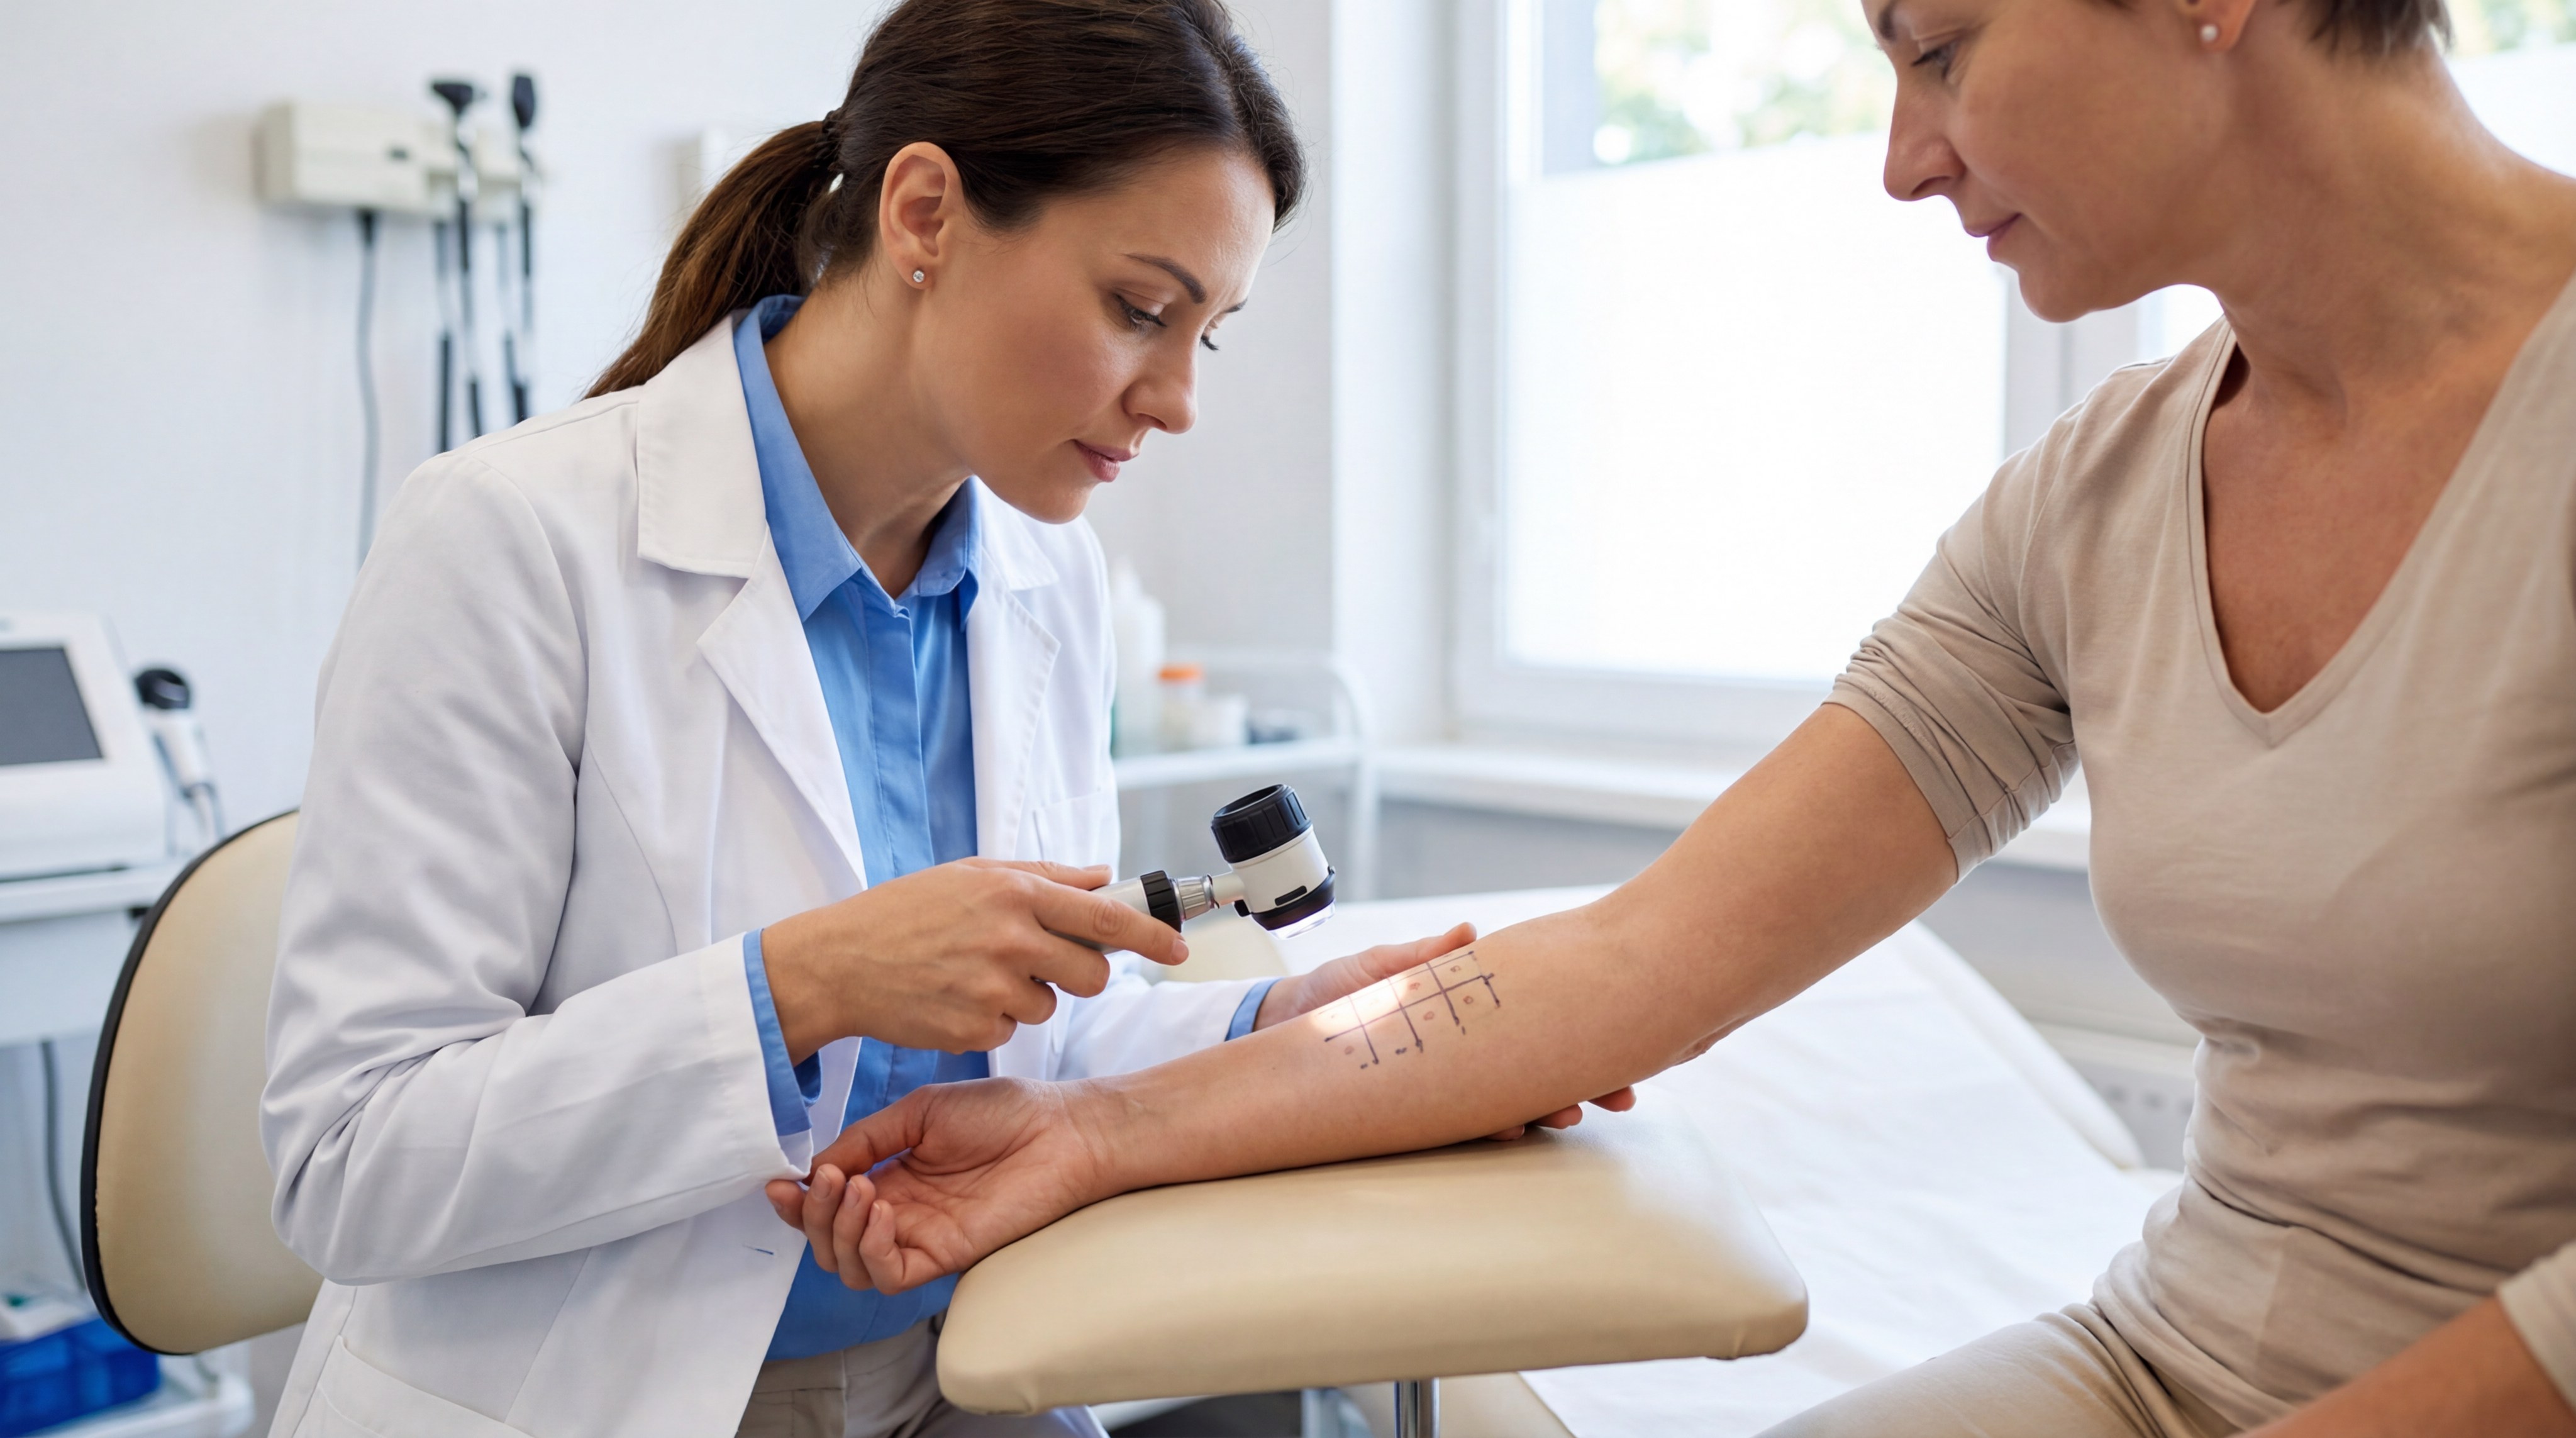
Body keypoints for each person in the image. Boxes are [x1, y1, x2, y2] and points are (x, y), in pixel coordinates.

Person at [774, 0, 2576, 1430]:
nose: (1900, 159)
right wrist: (1092, 1134)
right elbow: (1651, 952)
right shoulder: (2095, 501)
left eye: (1938, 48)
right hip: (2172, 1354)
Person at [255, 4, 1476, 1435]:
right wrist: (798, 988)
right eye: (1141, 311)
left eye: (1208, 332)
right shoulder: (509, 540)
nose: (1178, 401)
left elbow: (1031, 1059)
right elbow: (349, 1160)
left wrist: (1271, 1025)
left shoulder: (1042, 570)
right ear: (924, 213)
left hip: (957, 1370)